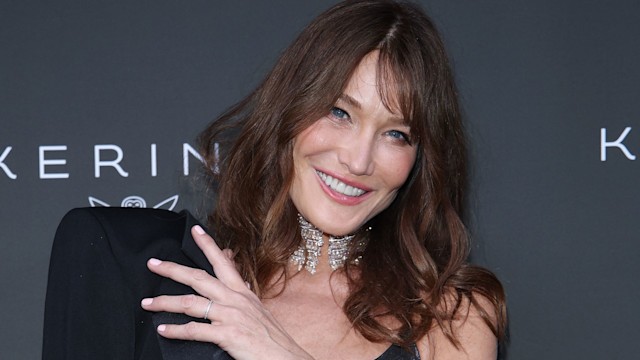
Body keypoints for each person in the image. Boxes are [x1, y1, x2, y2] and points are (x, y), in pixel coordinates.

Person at [43, 1, 506, 359]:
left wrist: (276, 350)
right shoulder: (148, 270)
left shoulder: (454, 315)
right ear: (290, 109)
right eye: (339, 112)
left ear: (420, 160)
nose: (359, 160)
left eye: (396, 134)